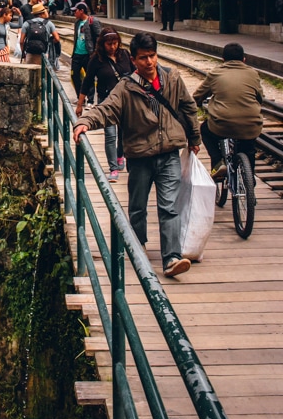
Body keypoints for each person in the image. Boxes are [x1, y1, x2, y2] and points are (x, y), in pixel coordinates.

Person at [73, 32, 201, 278]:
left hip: (169, 154)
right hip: (140, 156)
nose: (149, 62)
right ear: (133, 60)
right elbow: (106, 109)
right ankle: (138, 243)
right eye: (143, 58)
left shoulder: (172, 79)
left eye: (152, 56)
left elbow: (188, 107)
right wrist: (85, 121)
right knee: (138, 207)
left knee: (169, 207)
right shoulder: (126, 88)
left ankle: (171, 258)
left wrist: (194, 138)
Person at [193, 42, 263, 177]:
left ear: (223, 60)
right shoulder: (253, 74)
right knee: (249, 149)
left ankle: (218, 162)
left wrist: (200, 102)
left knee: (205, 130)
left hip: (222, 126)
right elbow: (259, 98)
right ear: (244, 59)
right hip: (251, 126)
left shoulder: (215, 73)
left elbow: (197, 96)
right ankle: (250, 179)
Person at [75, 29, 134, 182]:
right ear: (102, 44)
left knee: (124, 133)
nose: (112, 47)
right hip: (106, 101)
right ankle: (113, 168)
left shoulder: (125, 55)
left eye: (115, 43)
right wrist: (80, 104)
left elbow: (135, 74)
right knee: (110, 135)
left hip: (125, 100)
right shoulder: (96, 59)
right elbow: (87, 82)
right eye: (109, 44)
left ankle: (120, 155)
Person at [71, 1, 102, 101]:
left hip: (88, 54)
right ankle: (80, 97)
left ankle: (90, 99)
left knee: (89, 77)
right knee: (74, 75)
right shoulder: (77, 23)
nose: (74, 13)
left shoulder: (93, 21)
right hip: (76, 54)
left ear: (81, 11)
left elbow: (99, 37)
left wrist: (95, 52)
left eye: (75, 11)